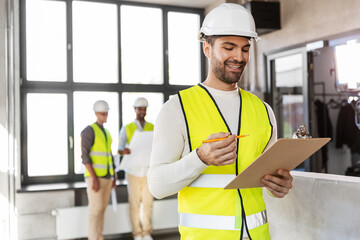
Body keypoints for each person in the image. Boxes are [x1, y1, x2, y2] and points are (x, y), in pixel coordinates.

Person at [148, 3, 293, 240]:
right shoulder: (177, 109)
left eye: (245, 49)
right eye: (229, 47)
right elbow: (157, 186)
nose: (239, 57)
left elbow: (267, 179)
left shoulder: (264, 111)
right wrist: (200, 158)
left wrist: (280, 185)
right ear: (207, 48)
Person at [118, 97, 154, 240]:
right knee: (134, 204)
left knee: (148, 204)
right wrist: (123, 150)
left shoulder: (152, 127)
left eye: (144, 109)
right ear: (135, 110)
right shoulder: (127, 128)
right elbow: (120, 147)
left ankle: (146, 232)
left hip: (147, 171)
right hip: (132, 171)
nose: (142, 111)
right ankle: (137, 233)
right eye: (139, 109)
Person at [81, 100, 116, 240]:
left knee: (102, 210)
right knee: (95, 211)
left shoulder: (106, 132)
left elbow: (109, 156)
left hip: (107, 177)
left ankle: (99, 237)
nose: (105, 116)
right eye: (103, 113)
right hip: (95, 178)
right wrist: (94, 178)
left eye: (106, 113)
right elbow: (85, 157)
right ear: (95, 113)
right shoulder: (88, 131)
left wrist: (113, 176)